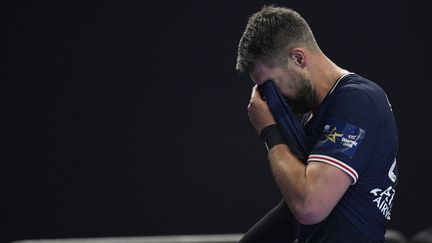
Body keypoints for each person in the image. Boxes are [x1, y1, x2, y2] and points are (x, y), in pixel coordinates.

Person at [235, 6, 398, 243]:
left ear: (298, 58)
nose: (272, 100)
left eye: (271, 86)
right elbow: (291, 215)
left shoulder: (358, 102)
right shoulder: (317, 114)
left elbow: (309, 206)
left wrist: (270, 132)